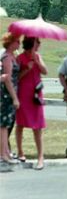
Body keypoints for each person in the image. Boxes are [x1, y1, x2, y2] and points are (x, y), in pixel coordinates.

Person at [15, 37, 48, 170]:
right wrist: (27, 69)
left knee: (38, 126)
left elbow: (45, 71)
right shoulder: (20, 58)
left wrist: (37, 63)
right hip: (23, 94)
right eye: (37, 42)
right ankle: (20, 152)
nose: (39, 44)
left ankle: (40, 157)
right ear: (32, 44)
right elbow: (15, 77)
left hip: (36, 94)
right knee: (20, 124)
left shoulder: (38, 56)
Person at [0, 33, 20, 164]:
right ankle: (3, 154)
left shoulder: (13, 56)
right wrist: (15, 98)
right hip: (6, 94)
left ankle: (6, 152)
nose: (19, 44)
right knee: (3, 125)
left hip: (10, 93)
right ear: (11, 43)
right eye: (17, 41)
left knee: (6, 125)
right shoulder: (7, 57)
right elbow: (7, 79)